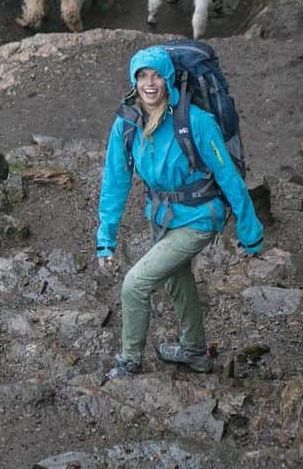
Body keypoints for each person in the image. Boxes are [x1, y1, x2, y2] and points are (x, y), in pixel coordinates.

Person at [96, 45, 264, 380]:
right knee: (177, 280)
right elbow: (115, 181)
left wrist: (250, 231)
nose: (150, 83)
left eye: (157, 74)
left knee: (135, 284)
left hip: (201, 216)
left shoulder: (195, 122)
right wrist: (106, 237)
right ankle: (194, 352)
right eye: (142, 75)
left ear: (169, 78)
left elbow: (228, 175)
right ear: (133, 80)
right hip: (163, 216)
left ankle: (129, 360)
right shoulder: (126, 124)